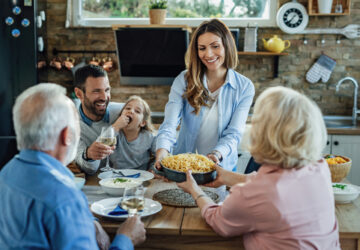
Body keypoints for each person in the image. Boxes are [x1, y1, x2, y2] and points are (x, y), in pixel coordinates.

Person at [177, 86, 340, 249]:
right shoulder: (320, 168)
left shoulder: (256, 193)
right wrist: (229, 177)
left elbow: (218, 220)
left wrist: (195, 190)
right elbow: (281, 185)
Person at [0, 83, 146, 249]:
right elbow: (61, 204)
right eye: (77, 124)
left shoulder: (6, 174)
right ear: (66, 135)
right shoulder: (64, 198)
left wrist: (91, 222)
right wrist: (125, 239)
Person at [155, 19, 255, 171]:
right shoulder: (183, 80)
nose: (208, 54)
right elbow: (170, 123)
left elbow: (233, 133)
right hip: (184, 167)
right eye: (202, 48)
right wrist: (162, 151)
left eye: (215, 46)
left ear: (226, 46)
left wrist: (216, 154)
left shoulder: (245, 87)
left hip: (222, 167)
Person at [74, 64, 129, 175]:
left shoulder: (122, 111)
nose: (104, 97)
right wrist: (88, 155)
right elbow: (90, 169)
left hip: (130, 179)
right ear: (79, 93)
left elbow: (150, 135)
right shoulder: (72, 125)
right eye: (96, 91)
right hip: (95, 184)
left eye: (107, 90)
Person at [109, 95, 156, 170]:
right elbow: (101, 146)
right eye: (128, 108)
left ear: (143, 123)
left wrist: (152, 169)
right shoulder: (114, 133)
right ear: (121, 115)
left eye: (137, 111)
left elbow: (158, 158)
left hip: (141, 177)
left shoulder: (149, 137)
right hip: (116, 177)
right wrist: (115, 127)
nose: (131, 111)